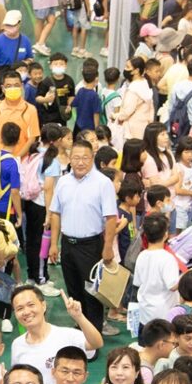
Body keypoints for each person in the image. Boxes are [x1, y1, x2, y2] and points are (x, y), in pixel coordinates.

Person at [47, 139, 120, 334]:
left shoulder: (103, 183)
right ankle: (80, 331)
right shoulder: (63, 182)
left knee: (92, 294)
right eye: (76, 158)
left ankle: (94, 336)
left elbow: (111, 218)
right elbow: (55, 213)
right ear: (69, 159)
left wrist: (107, 247)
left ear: (92, 158)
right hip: (67, 245)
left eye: (85, 158)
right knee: (74, 291)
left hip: (91, 246)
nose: (80, 162)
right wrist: (54, 244)